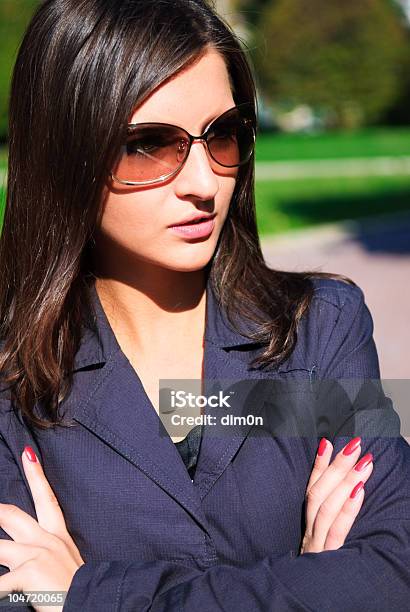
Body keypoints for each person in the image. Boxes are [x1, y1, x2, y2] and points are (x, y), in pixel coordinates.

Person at [0, 0, 408, 610]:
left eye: (222, 135)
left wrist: (88, 595)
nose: (203, 182)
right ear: (66, 152)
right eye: (149, 145)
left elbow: (392, 574)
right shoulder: (13, 373)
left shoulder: (321, 325)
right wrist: (310, 583)